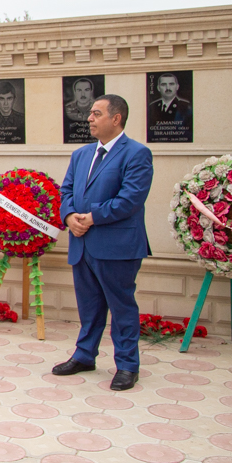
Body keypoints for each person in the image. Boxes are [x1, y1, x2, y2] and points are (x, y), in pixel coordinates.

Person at [54, 94, 153, 391]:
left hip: (117, 246)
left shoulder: (136, 154)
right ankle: (85, 355)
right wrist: (70, 216)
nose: (89, 119)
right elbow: (66, 191)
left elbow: (131, 199)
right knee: (89, 307)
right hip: (82, 244)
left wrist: (92, 217)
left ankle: (127, 365)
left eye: (96, 113)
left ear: (116, 118)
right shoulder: (81, 155)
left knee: (121, 308)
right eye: (90, 114)